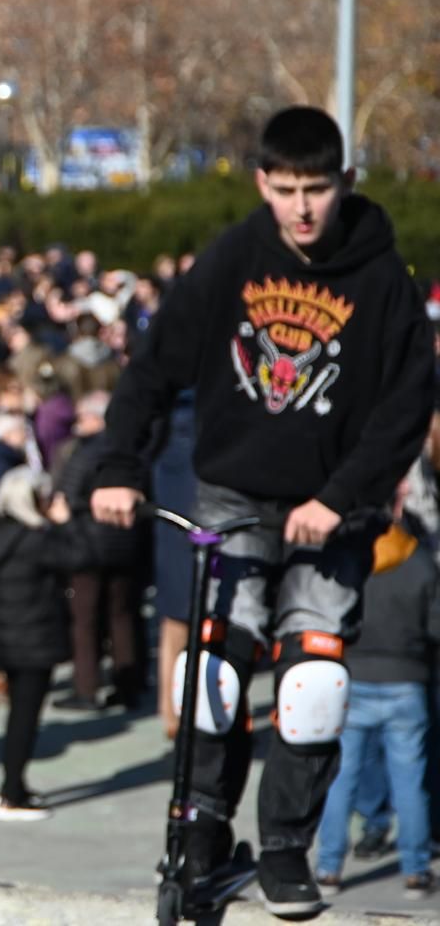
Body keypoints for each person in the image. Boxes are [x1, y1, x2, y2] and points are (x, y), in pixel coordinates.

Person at [92, 106, 434, 917]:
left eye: (316, 189)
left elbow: (407, 405)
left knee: (312, 682)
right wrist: (116, 466)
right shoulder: (233, 261)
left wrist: (338, 498)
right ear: (262, 184)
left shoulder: (382, 277)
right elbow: (152, 366)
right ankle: (203, 829)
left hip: (332, 511)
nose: (303, 209)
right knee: (212, 672)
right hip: (234, 496)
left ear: (345, 183)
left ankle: (285, 846)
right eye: (285, 190)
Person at [314, 477, 440, 899]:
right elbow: (434, 627)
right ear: (397, 505)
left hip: (353, 678)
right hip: (407, 681)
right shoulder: (420, 562)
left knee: (341, 778)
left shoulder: (347, 560)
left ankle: (328, 867)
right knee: (410, 780)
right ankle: (416, 869)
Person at [0, 467, 86, 821]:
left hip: (2, 635)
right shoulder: (36, 541)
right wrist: (65, 522)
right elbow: (81, 556)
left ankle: (14, 786)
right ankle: (11, 792)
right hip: (33, 637)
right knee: (25, 717)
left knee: (18, 715)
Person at [50, 390, 144, 711]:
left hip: (87, 544)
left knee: (85, 620)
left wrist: (62, 519)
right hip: (123, 543)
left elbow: (67, 496)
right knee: (122, 616)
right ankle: (128, 683)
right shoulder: (130, 451)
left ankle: (86, 687)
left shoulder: (86, 452)